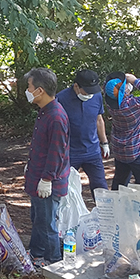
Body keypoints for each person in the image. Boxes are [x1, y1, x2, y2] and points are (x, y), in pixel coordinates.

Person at [23, 67, 70, 266]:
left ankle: (53, 261)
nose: (27, 90)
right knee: (38, 218)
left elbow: (57, 152)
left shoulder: (56, 117)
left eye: (29, 87)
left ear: (40, 90)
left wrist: (47, 178)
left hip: (48, 181)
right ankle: (36, 253)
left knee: (47, 223)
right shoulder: (45, 112)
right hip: (37, 175)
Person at [55, 69, 110, 201]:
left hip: (92, 151)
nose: (89, 95)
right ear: (76, 86)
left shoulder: (96, 96)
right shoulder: (61, 99)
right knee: (66, 188)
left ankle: (105, 211)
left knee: (100, 186)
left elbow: (99, 120)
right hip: (70, 152)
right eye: (86, 91)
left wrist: (104, 143)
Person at [104, 72, 140, 189]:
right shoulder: (134, 105)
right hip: (137, 149)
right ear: (125, 92)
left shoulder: (111, 104)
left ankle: (116, 200)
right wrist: (135, 80)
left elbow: (112, 91)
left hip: (120, 151)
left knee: (119, 183)